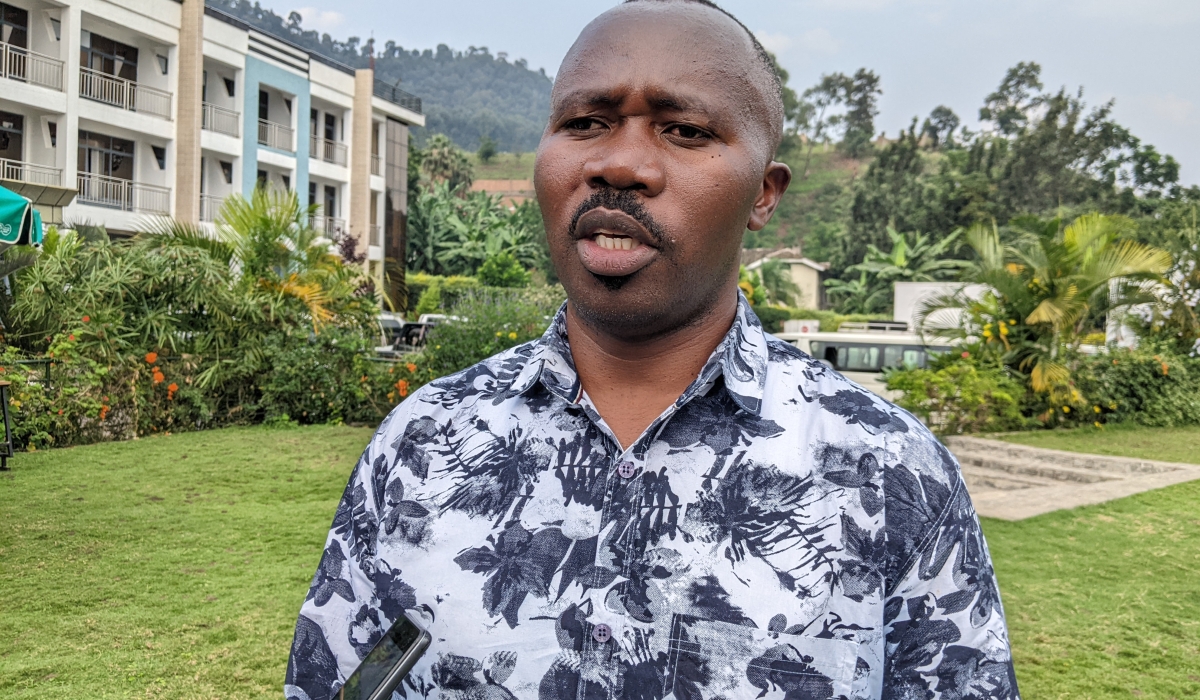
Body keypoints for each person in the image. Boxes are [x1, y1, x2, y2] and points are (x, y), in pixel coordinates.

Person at [286, 0, 1020, 698]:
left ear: (765, 193)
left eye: (684, 130)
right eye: (585, 121)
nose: (620, 164)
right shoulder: (420, 445)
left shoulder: (892, 476)